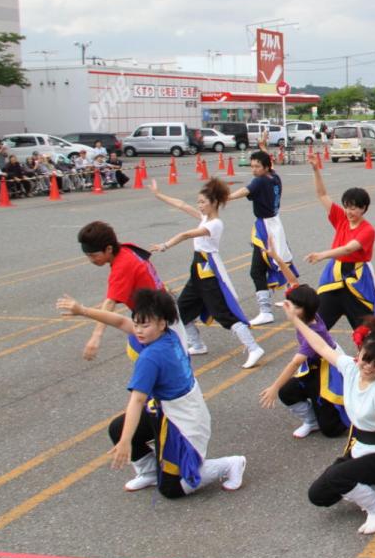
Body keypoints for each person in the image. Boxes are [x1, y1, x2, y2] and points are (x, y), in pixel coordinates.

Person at [56, 288, 247, 497]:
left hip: (184, 422)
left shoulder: (151, 357)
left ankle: (229, 464)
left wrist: (126, 441)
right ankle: (150, 473)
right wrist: (82, 310)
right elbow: (120, 322)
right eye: (136, 323)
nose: (138, 330)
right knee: (118, 428)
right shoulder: (172, 333)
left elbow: (137, 400)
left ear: (161, 323)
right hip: (167, 409)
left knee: (171, 489)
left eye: (144, 325)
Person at [292, 303, 375, 534]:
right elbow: (321, 346)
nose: (369, 367)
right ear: (359, 353)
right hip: (357, 448)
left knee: (337, 477)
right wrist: (295, 320)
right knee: (318, 495)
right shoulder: (351, 368)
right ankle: (374, 489)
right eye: (366, 359)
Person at [148, 177, 264, 369]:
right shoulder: (205, 219)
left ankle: (254, 348)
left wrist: (164, 245)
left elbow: (186, 234)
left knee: (222, 313)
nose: (199, 205)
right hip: (198, 269)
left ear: (214, 203)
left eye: (203, 202)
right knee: (181, 309)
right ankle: (197, 344)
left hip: (207, 270)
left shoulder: (214, 224)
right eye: (199, 202)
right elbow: (182, 205)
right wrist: (158, 194)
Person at [306, 159, 375, 373]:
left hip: (356, 279)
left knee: (368, 328)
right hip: (334, 278)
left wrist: (322, 254)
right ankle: (312, 359)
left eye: (354, 207)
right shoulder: (340, 218)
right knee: (319, 322)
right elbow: (322, 195)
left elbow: (349, 249)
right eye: (347, 206)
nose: (349, 211)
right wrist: (315, 170)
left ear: (364, 208)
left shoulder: (368, 229)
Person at [258, 244, 348, 439]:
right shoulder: (305, 312)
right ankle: (311, 420)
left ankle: (346, 410)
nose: (288, 306)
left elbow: (295, 363)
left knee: (331, 430)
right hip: (312, 365)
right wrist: (276, 258)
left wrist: (273, 387)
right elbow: (291, 280)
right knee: (287, 393)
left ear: (304, 309)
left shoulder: (313, 331)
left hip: (327, 367)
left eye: (294, 306)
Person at [77, 221, 167, 361]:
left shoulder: (123, 265)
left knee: (151, 359)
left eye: (94, 255)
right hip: (154, 311)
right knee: (139, 352)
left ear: (108, 249)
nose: (90, 260)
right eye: (87, 255)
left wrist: (96, 336)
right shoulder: (125, 249)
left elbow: (110, 302)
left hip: (159, 318)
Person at [228, 150, 295, 326]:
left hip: (267, 227)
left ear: (266, 167)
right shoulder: (275, 177)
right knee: (281, 262)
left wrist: (226, 197)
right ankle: (294, 300)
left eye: (257, 166)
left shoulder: (260, 180)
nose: (254, 170)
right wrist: (263, 147)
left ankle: (266, 311)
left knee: (259, 269)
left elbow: (245, 190)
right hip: (274, 223)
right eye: (252, 166)